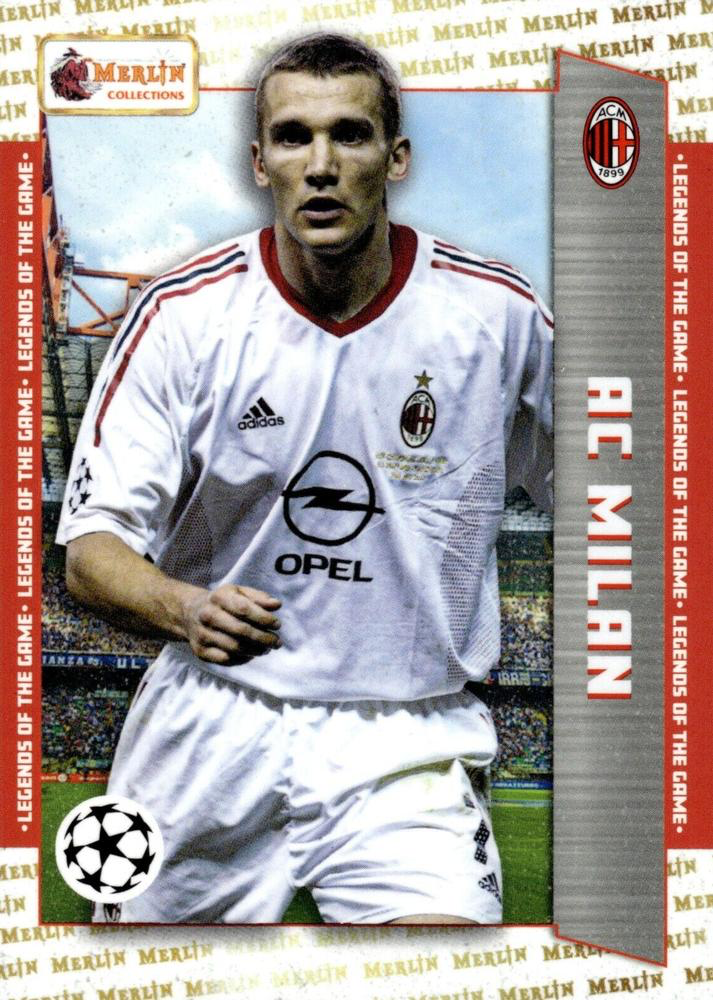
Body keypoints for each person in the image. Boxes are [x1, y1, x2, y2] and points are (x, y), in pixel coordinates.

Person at [57, 32, 553, 925]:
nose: (320, 165)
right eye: (293, 137)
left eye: (349, 134)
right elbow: (91, 552)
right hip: (205, 728)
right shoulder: (182, 316)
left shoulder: (497, 317)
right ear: (260, 162)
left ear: (396, 157)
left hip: (405, 736)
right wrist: (186, 607)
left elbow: (630, 495)